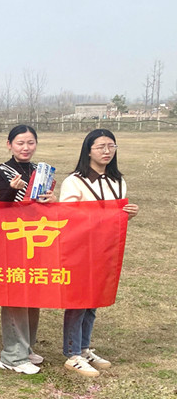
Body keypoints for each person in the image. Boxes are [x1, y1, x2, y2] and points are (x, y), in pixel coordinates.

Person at [58, 129, 138, 377]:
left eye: (111, 146)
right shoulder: (75, 181)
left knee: (94, 301)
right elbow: (67, 216)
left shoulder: (118, 181)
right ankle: (72, 353)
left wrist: (128, 214)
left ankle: (83, 348)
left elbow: (116, 217)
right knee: (79, 300)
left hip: (106, 249)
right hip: (81, 248)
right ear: (88, 150)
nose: (106, 151)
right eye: (100, 146)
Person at [0, 125, 56, 375]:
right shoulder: (1, 171)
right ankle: (12, 355)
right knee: (16, 295)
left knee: (33, 295)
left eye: (30, 143)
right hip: (11, 239)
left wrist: (51, 200)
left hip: (35, 238)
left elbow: (45, 208)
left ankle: (26, 347)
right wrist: (11, 190)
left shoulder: (40, 171)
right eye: (20, 143)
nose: (26, 148)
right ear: (9, 144)